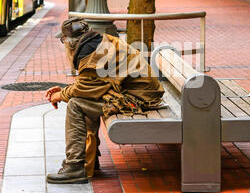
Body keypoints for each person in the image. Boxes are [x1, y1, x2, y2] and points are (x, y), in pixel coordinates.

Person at [45, 18, 164, 184]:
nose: (63, 44)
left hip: (139, 98)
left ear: (69, 42)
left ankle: (75, 166)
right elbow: (90, 85)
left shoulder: (90, 52)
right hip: (140, 92)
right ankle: (87, 162)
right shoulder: (97, 42)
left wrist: (61, 95)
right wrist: (65, 91)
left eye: (63, 40)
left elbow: (84, 88)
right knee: (80, 101)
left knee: (75, 105)